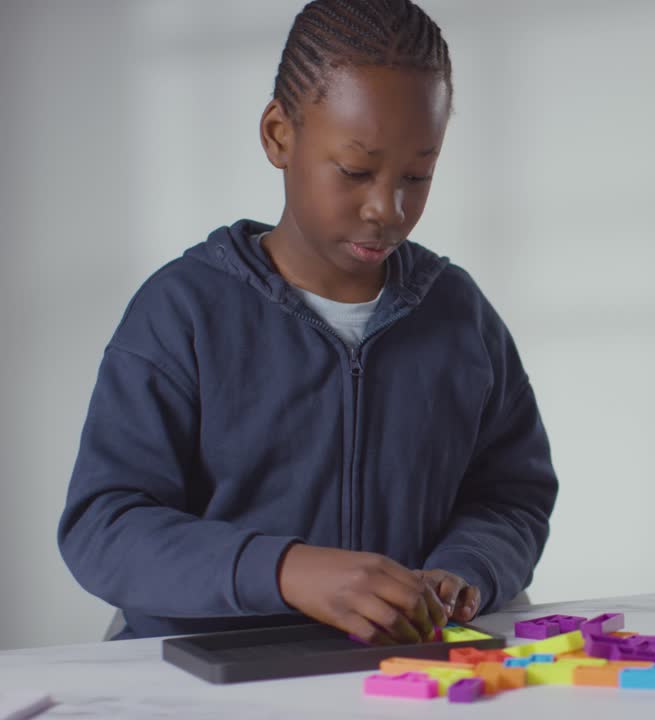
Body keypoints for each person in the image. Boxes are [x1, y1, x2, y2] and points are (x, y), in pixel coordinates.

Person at [57, 0, 558, 644]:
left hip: (401, 673)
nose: (388, 207)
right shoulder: (181, 312)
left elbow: (511, 494)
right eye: (355, 171)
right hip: (205, 679)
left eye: (417, 175)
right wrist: (287, 570)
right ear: (278, 135)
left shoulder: (458, 313)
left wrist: (465, 569)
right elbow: (105, 527)